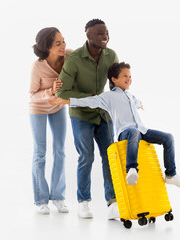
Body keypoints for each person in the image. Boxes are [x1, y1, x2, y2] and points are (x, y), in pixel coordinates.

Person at [50, 62, 180, 190]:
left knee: (168, 138)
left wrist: (140, 104)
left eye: (130, 76)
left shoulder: (130, 96)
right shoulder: (108, 97)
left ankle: (171, 174)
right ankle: (132, 169)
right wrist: (64, 101)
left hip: (142, 131)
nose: (129, 79)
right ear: (114, 79)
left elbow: (137, 103)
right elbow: (88, 101)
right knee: (133, 132)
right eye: (125, 76)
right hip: (125, 132)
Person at [55, 19, 118, 219]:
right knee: (86, 157)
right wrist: (89, 99)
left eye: (106, 32)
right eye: (100, 33)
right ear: (87, 35)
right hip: (81, 115)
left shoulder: (111, 55)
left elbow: (115, 86)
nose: (105, 36)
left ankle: (113, 202)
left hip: (102, 114)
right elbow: (62, 92)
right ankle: (83, 202)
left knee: (110, 157)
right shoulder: (74, 60)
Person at [29, 27, 71, 214]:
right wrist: (50, 91)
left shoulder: (68, 56)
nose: (63, 45)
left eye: (63, 41)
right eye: (58, 43)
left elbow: (87, 53)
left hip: (58, 108)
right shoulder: (37, 66)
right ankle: (40, 200)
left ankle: (58, 197)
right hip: (38, 108)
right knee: (40, 153)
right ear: (47, 47)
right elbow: (32, 95)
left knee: (60, 151)